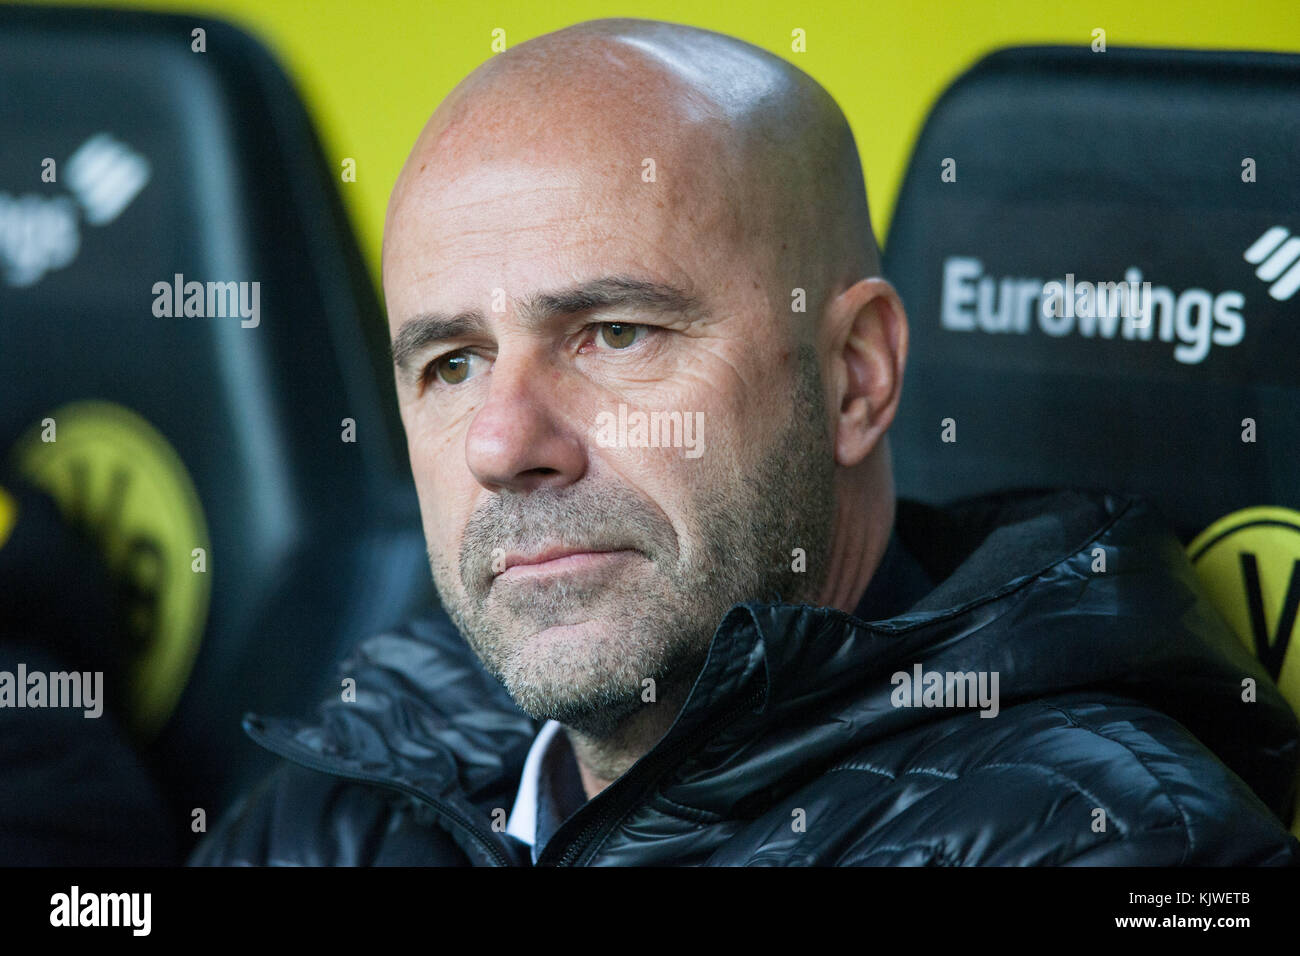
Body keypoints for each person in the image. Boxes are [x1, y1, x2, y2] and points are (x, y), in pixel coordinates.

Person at [191, 17, 1299, 866]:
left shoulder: (1100, 837)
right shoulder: (345, 792)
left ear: (855, 375)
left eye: (612, 333)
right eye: (452, 362)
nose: (500, 441)